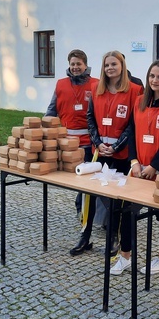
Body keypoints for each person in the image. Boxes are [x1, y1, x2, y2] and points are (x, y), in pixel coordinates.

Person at [109, 59, 159, 276]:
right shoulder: (140, 101)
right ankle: (125, 256)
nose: (155, 80)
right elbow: (131, 132)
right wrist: (133, 161)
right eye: (152, 76)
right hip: (139, 169)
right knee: (129, 212)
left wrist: (155, 166)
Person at [70, 51, 143, 256]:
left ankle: (113, 237)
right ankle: (85, 236)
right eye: (107, 65)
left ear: (122, 66)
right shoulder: (96, 88)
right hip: (99, 153)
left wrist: (118, 146)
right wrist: (98, 142)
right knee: (90, 196)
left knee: (115, 198)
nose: (110, 68)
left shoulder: (135, 90)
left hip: (121, 155)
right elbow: (90, 118)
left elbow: (133, 123)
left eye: (114, 64)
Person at [45, 49, 98, 217]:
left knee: (88, 179)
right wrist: (43, 128)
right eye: (72, 64)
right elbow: (52, 109)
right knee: (73, 178)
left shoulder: (96, 84)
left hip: (89, 142)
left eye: (79, 64)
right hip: (67, 143)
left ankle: (85, 210)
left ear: (85, 65)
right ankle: (82, 209)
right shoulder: (61, 84)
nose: (75, 67)